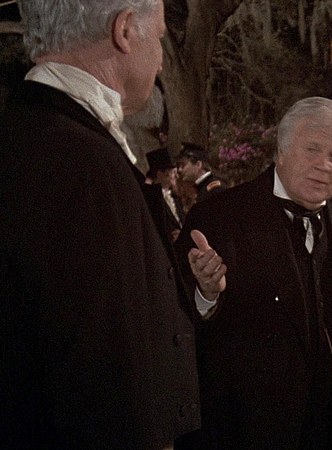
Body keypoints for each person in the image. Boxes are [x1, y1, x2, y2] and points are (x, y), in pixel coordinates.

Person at [0, 0, 201, 447]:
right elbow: (97, 366)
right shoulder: (75, 158)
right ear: (124, 31)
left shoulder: (34, 131)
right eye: (160, 37)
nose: (162, 60)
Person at [174, 97, 332, 449]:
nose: (323, 165)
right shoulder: (218, 217)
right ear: (281, 151)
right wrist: (206, 293)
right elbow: (174, 327)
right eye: (312, 149)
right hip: (247, 430)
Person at [146, 147, 185, 242]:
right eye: (173, 172)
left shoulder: (176, 197)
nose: (177, 176)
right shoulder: (150, 199)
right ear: (160, 174)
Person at [176, 142, 227, 206]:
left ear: (198, 165)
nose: (179, 170)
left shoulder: (214, 189)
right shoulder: (203, 188)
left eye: (183, 165)